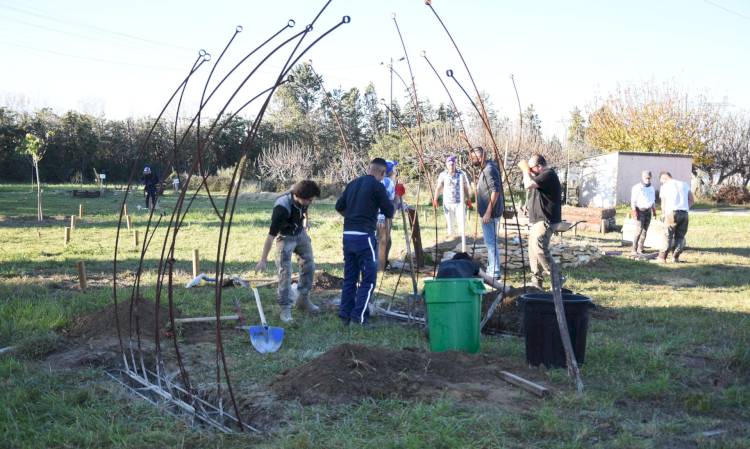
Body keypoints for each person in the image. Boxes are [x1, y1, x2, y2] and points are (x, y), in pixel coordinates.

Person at [335, 158, 395, 326]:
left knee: (350, 277)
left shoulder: (353, 183)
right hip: (364, 237)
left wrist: (352, 217)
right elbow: (389, 211)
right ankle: (358, 318)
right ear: (382, 173)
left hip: (348, 235)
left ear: (369, 168)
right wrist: (396, 199)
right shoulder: (378, 186)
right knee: (369, 279)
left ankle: (344, 314)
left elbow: (339, 206)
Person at [255, 180, 321, 323]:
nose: (310, 202)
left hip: (300, 234)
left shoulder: (304, 199)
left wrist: (305, 222)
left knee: (309, 265)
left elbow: (305, 208)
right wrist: (263, 260)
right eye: (309, 200)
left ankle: (303, 299)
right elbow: (270, 235)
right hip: (284, 237)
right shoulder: (281, 208)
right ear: (298, 196)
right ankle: (285, 309)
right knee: (285, 272)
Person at [520, 154, 562, 290]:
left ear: (539, 166)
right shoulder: (542, 177)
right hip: (538, 220)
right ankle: (536, 283)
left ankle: (556, 277)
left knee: (539, 248)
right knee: (532, 250)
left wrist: (525, 170)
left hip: (546, 220)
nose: (531, 172)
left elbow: (528, 184)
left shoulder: (548, 174)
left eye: (532, 169)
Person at [469, 146, 503, 280]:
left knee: (491, 242)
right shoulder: (486, 169)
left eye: (473, 158)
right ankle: (492, 269)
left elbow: (495, 191)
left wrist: (488, 212)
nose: (472, 160)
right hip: (487, 213)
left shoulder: (489, 170)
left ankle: (494, 272)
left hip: (491, 213)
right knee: (490, 242)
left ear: (481, 157)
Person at [433, 155, 472, 251]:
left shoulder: (461, 174)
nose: (451, 166)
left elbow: (465, 187)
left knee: (461, 221)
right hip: (448, 202)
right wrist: (435, 199)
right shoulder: (443, 175)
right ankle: (451, 242)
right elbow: (439, 187)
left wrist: (468, 199)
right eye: (449, 164)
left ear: (455, 164)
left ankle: (462, 240)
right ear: (446, 165)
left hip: (459, 202)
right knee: (450, 222)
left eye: (453, 164)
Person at [655, 172, 694, 263]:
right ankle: (675, 257)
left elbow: (663, 203)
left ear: (664, 178)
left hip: (671, 213)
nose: (662, 183)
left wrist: (663, 214)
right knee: (680, 237)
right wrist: (685, 207)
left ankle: (662, 258)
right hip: (684, 214)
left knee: (667, 236)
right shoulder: (684, 184)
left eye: (662, 181)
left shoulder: (665, 186)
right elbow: (692, 200)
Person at [377, 160, 398, 271]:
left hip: (377, 215)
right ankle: (380, 266)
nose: (396, 170)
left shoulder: (382, 181)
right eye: (394, 168)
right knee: (384, 241)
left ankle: (381, 264)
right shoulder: (388, 182)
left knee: (381, 240)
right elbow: (390, 201)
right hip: (384, 216)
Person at [630, 170, 656, 255]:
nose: (648, 179)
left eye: (649, 177)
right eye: (646, 177)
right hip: (639, 211)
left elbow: (653, 201)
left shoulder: (652, 188)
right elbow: (633, 200)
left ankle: (640, 249)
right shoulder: (637, 187)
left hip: (648, 211)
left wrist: (654, 211)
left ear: (651, 178)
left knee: (645, 231)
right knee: (639, 231)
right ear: (642, 177)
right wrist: (634, 211)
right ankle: (634, 249)